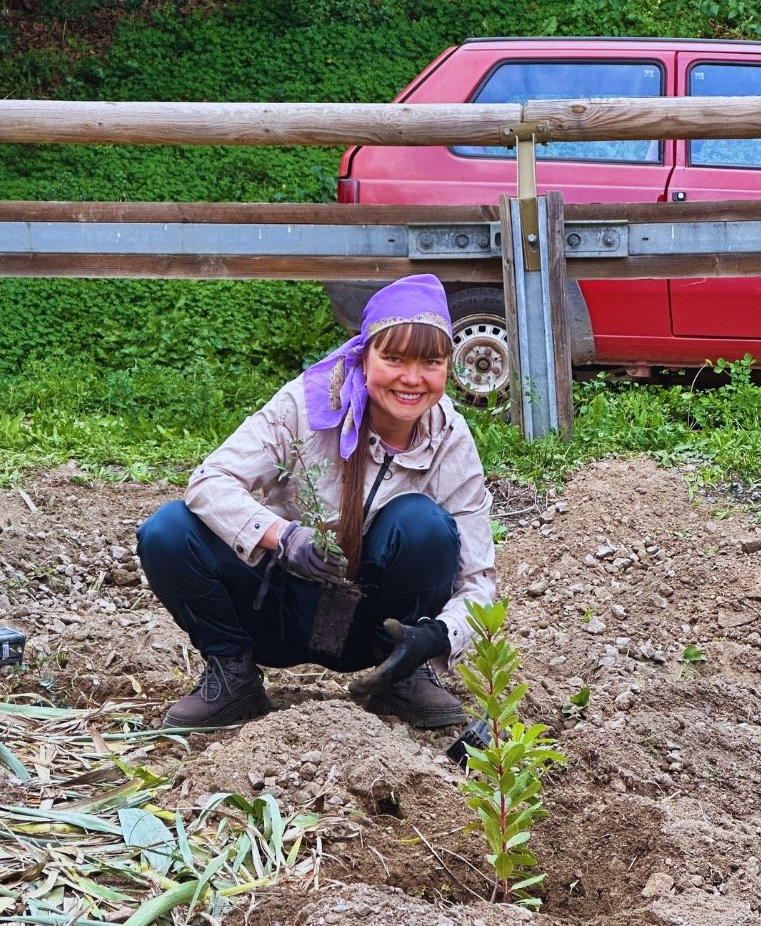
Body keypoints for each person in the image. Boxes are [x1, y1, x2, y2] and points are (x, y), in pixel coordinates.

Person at [137, 273, 496, 729]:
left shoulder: (449, 436)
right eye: (394, 358)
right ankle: (233, 675)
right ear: (364, 358)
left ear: (449, 367)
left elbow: (478, 580)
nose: (412, 378)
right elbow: (211, 480)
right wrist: (283, 537)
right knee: (168, 530)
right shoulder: (306, 406)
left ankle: (404, 680)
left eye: (431, 362)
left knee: (422, 522)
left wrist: (435, 636)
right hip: (280, 607)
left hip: (375, 626)